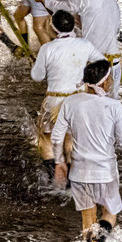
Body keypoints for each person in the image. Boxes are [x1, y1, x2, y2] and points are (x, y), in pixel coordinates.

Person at [53, 59, 122, 242]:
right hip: (105, 172)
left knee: (87, 219)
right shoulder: (113, 106)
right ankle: (99, 241)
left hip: (80, 173)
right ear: (103, 82)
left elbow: (56, 137)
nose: (111, 83)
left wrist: (59, 162)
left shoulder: (70, 102)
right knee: (110, 212)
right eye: (109, 79)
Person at [31, 9, 104, 176]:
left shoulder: (47, 48)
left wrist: (36, 65)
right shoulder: (84, 44)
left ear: (53, 27)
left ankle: (54, 180)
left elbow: (37, 76)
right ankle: (74, 179)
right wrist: (85, 80)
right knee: (71, 140)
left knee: (47, 139)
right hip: (78, 99)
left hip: (54, 101)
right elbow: (102, 63)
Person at [38, 0, 122, 97]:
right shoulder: (113, 2)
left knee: (88, 102)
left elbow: (61, 7)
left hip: (96, 66)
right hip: (114, 64)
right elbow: (115, 31)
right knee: (112, 103)